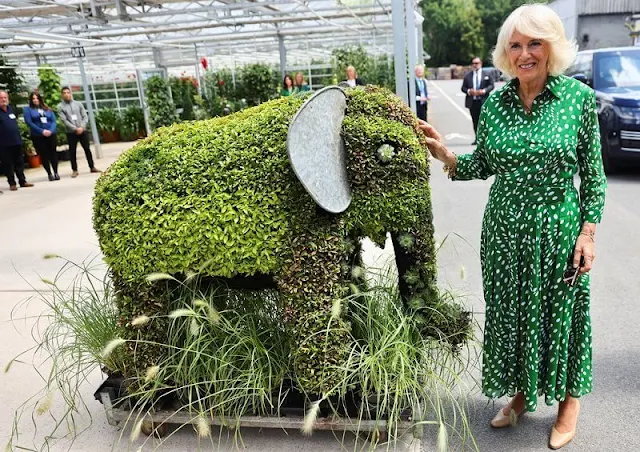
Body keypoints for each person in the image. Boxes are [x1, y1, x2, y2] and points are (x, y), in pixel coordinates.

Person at [419, 4, 606, 450]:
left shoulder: (577, 100)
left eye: (534, 43)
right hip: (504, 232)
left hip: (557, 231)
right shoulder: (496, 103)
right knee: (513, 314)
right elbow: (483, 162)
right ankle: (521, 395)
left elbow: (594, 175)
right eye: (516, 45)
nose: (524, 53)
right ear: (506, 52)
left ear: (552, 48)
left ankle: (568, 403)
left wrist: (588, 234)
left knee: (564, 315)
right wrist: (448, 157)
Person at [58, 87, 100, 177]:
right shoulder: (60, 107)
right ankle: (74, 170)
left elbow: (85, 116)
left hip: (82, 130)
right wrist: (75, 128)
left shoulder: (78, 104)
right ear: (62, 95)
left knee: (87, 149)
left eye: (68, 92)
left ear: (71, 94)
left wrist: (82, 127)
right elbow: (64, 120)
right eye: (64, 93)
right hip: (71, 132)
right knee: (72, 151)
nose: (66, 94)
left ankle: (92, 167)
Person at [0, 90, 34, 191]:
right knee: (8, 164)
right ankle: (12, 183)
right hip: (3, 143)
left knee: (19, 162)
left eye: (5, 97)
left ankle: (22, 181)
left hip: (16, 141)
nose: (3, 100)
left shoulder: (11, 109)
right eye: (1, 98)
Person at [24, 92, 59, 181]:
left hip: (51, 134)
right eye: (33, 99)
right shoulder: (28, 109)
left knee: (53, 153)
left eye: (37, 98)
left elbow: (54, 121)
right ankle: (49, 173)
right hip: (38, 135)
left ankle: (56, 172)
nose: (35, 100)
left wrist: (50, 131)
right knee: (44, 154)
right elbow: (29, 122)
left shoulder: (47, 108)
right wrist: (42, 131)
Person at [461, 57, 494, 145]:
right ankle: (477, 138)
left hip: (483, 101)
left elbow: (491, 85)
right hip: (473, 102)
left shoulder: (486, 74)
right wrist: (469, 91)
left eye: (477, 63)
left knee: (485, 121)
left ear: (481, 63)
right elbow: (463, 88)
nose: (475, 65)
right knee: (475, 121)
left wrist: (483, 91)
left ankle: (486, 139)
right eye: (473, 63)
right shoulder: (468, 75)